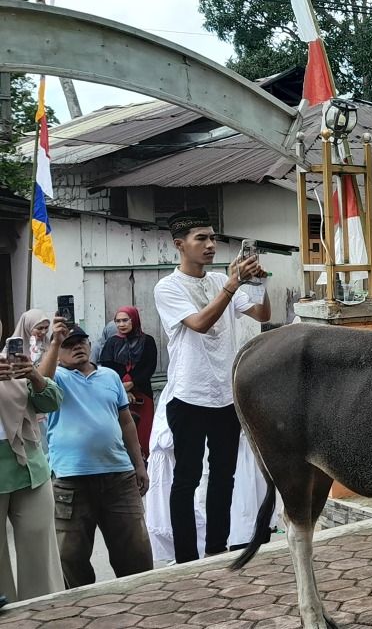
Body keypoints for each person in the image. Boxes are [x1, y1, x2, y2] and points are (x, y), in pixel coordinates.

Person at [153, 210, 271, 563]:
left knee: (225, 475)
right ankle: (187, 558)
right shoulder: (168, 286)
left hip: (226, 394)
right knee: (186, 478)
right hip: (188, 396)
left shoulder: (220, 278)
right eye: (201, 238)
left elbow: (262, 315)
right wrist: (232, 284)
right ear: (180, 245)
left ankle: (217, 548)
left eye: (213, 238)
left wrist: (258, 283)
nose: (210, 245)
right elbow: (200, 323)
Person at [38, 322, 153, 587]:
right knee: (71, 558)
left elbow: (126, 422)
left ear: (90, 344)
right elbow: (40, 386)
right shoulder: (57, 378)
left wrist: (139, 464)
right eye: (69, 344)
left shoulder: (110, 376)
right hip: (71, 480)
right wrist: (54, 343)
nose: (77, 346)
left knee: (135, 553)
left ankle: (141, 604)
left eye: (81, 341)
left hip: (119, 477)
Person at [0, 319, 64, 603]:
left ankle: (45, 614)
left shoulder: (11, 362)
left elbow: (51, 402)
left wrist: (35, 376)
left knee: (41, 555)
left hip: (29, 469)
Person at [98, 307, 158, 458]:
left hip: (142, 392)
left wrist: (132, 384)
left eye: (125, 320)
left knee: (144, 432)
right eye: (117, 321)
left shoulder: (147, 341)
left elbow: (149, 367)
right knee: (122, 433)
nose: (121, 324)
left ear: (134, 320)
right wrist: (124, 390)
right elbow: (108, 367)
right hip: (118, 394)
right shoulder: (111, 343)